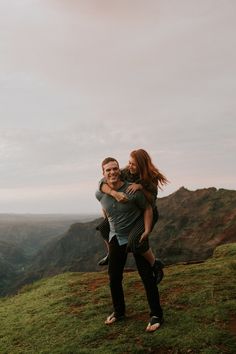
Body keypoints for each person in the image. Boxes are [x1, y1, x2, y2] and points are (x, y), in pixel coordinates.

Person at [95, 156, 163, 332]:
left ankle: (156, 314)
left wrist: (146, 231)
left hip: (135, 236)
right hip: (115, 238)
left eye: (114, 168)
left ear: (119, 170)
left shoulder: (133, 191)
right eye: (108, 170)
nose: (112, 172)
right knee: (114, 277)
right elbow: (104, 207)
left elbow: (148, 208)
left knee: (146, 277)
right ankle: (119, 312)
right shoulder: (100, 193)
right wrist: (109, 221)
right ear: (103, 174)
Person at [96, 149, 168, 284]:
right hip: (132, 211)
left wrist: (141, 187)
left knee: (135, 241)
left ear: (142, 166)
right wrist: (114, 193)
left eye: (133, 164)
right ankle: (110, 254)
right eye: (129, 162)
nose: (130, 166)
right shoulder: (126, 171)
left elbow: (151, 202)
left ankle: (155, 264)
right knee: (103, 227)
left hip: (147, 213)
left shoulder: (150, 179)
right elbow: (101, 182)